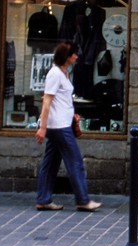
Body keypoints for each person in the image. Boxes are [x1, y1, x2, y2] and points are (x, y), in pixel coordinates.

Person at [34, 41, 101, 211]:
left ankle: (43, 199)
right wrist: (42, 127)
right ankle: (83, 200)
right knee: (75, 161)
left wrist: (72, 114)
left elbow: (61, 100)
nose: (76, 57)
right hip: (59, 126)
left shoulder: (64, 73)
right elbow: (47, 101)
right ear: (66, 56)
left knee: (50, 163)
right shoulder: (55, 74)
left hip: (61, 123)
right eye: (74, 54)